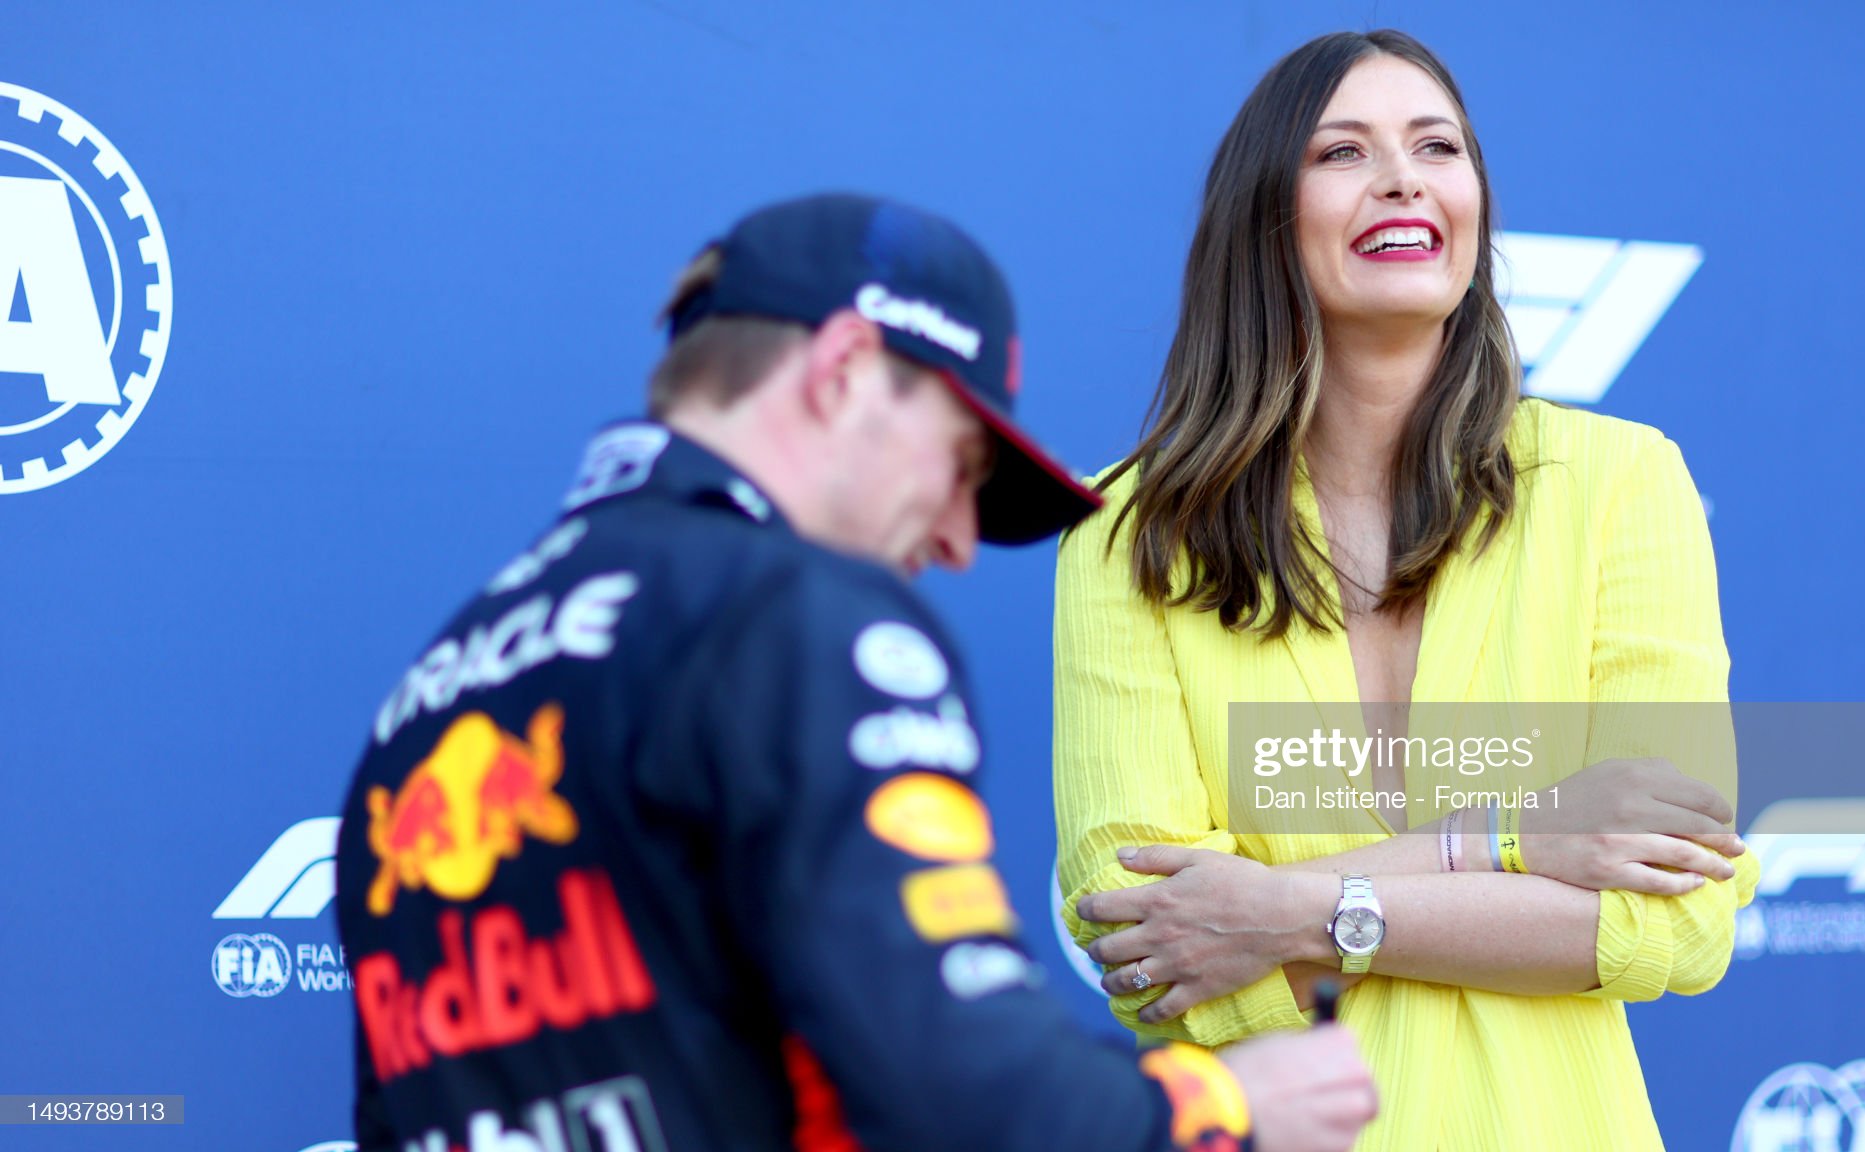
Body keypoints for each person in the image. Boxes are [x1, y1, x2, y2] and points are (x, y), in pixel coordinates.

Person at [334, 193, 1376, 1152]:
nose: (961, 542)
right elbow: (962, 1087)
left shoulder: (430, 699)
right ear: (840, 374)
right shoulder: (796, 617)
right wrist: (1229, 1107)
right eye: (963, 465)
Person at [1052, 31, 1760, 1150]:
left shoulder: (1620, 483)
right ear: (1263, 217)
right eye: (1342, 151)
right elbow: (1149, 944)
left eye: (1436, 146)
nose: (1402, 177)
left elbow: (1669, 924)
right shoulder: (1129, 531)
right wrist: (1500, 841)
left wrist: (1284, 911)